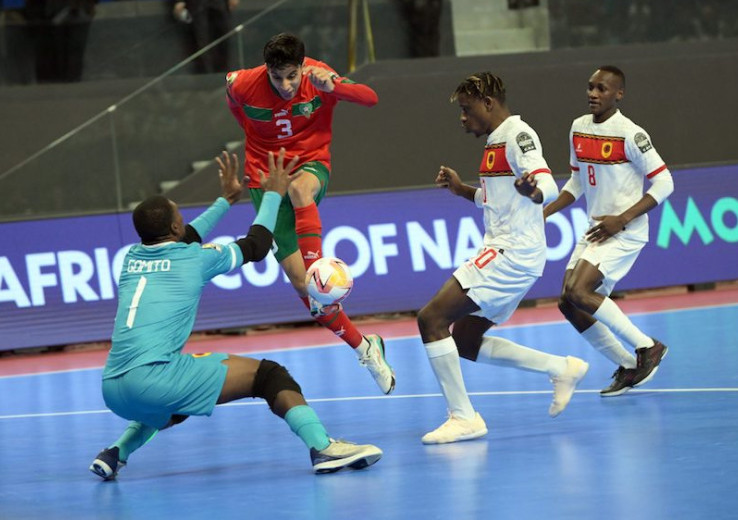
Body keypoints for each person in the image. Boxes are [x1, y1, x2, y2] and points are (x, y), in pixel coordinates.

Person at [89, 148, 382, 478]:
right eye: (179, 214)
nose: (183, 220)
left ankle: (115, 452)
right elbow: (256, 246)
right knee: (270, 376)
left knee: (176, 403)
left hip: (112, 386)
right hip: (155, 381)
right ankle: (323, 448)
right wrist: (273, 194)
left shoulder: (131, 258)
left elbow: (182, 237)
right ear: (174, 224)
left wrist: (226, 200)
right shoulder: (196, 259)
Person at [417, 72, 590, 445]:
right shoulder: (495, 141)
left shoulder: (517, 135)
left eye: (466, 109)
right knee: (465, 339)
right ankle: (561, 369)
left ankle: (463, 417)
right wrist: (463, 190)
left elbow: (545, 180)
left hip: (510, 253)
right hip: (510, 252)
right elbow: (496, 199)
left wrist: (536, 191)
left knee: (431, 318)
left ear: (488, 104)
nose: (463, 117)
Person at [224, 32, 395, 395]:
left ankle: (318, 262)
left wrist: (334, 86)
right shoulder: (242, 83)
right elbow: (234, 105)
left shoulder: (320, 77)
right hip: (265, 175)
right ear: (266, 70)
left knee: (302, 190)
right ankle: (366, 348)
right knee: (308, 292)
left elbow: (371, 98)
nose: (285, 86)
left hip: (310, 164)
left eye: (292, 76)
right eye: (276, 77)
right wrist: (256, 140)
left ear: (303, 66)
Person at [543, 65, 674, 397]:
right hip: (595, 228)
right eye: (590, 87)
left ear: (619, 94)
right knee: (567, 303)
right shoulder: (578, 128)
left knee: (578, 291)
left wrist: (622, 219)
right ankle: (628, 364)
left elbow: (665, 182)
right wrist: (544, 212)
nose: (593, 94)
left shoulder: (631, 133)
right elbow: (576, 182)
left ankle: (649, 347)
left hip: (624, 230)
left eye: (602, 89)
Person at [172, 0, 237, 74]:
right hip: (196, 5)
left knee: (222, 39)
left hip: (219, 4)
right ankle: (204, 74)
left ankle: (222, 74)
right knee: (200, 40)